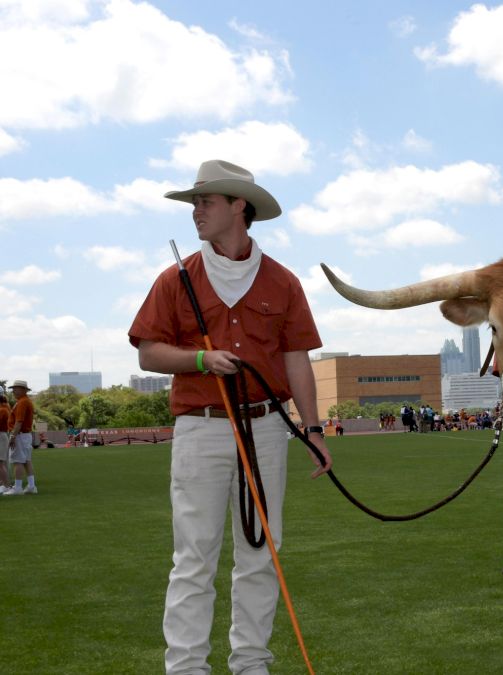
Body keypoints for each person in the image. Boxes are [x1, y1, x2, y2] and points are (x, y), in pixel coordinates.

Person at [128, 159, 332, 675]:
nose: (196, 211)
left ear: (239, 206)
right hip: (200, 428)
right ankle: (187, 668)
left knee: (262, 553)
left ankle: (250, 663)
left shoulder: (282, 281)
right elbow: (148, 353)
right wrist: (201, 359)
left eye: (206, 201)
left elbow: (296, 359)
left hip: (266, 427)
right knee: (194, 557)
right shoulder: (176, 279)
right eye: (195, 202)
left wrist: (312, 429)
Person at [5, 379, 36, 495]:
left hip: (20, 435)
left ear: (23, 390)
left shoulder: (22, 402)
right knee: (26, 461)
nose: (13, 391)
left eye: (15, 388)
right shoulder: (25, 401)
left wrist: (13, 436)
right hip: (24, 435)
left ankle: (17, 487)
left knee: (17, 461)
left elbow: (19, 421)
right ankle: (31, 486)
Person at [0, 391, 11, 491]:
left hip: (1, 435)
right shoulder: (4, 408)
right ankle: (4, 484)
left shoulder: (3, 410)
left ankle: (6, 485)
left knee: (1, 463)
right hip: (2, 435)